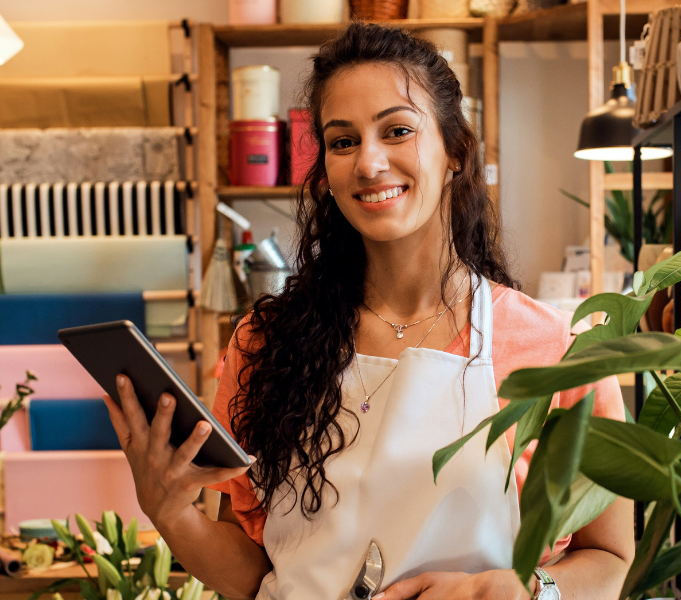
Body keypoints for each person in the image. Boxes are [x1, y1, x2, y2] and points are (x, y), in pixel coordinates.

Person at [103, 22, 633, 600]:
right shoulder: (266, 343)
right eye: (343, 140)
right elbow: (256, 572)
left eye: (398, 130)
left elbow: (610, 558)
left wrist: (524, 592)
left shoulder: (555, 348)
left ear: (455, 150)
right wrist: (171, 514)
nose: (369, 163)